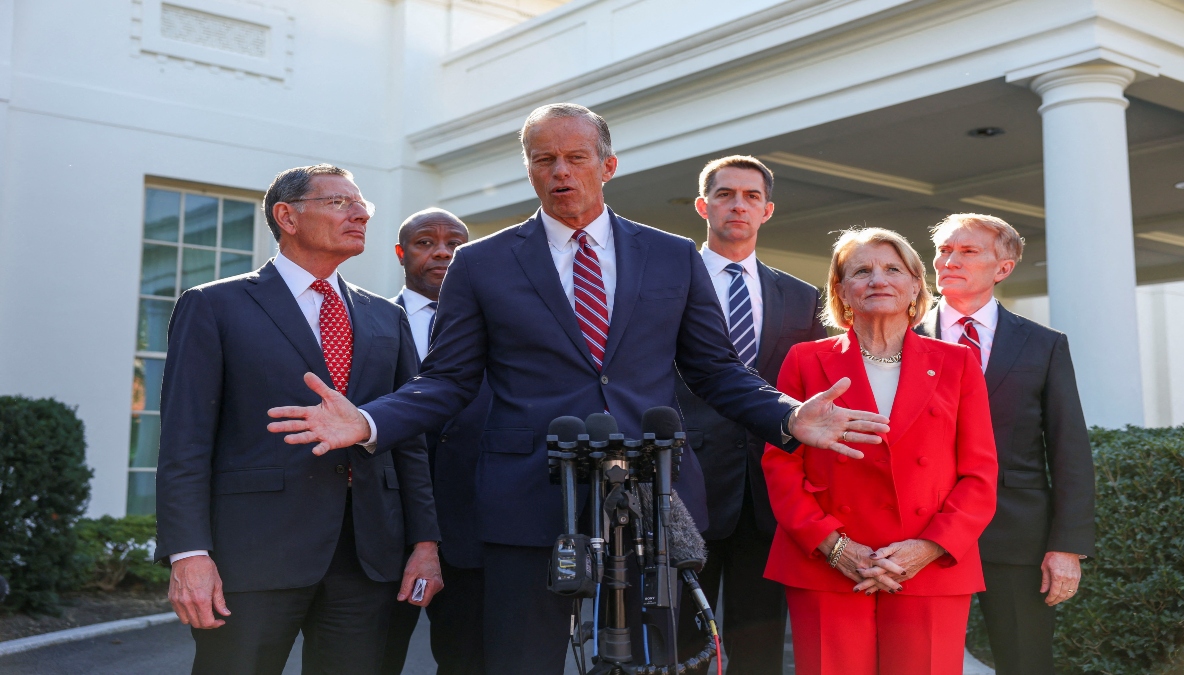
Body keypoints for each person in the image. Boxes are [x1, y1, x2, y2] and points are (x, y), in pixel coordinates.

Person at [265, 104, 889, 675]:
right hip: (527, 499)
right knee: (521, 660)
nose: (560, 171)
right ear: (530, 170)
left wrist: (787, 416)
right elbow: (448, 381)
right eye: (544, 159)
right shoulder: (482, 263)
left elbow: (716, 370)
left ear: (608, 165)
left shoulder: (673, 257)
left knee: (657, 662)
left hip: (652, 495)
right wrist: (370, 422)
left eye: (576, 157)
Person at [154, 164, 442, 675]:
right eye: (339, 203)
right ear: (286, 216)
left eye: (363, 206)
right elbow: (184, 443)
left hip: (368, 556)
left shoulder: (385, 317)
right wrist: (188, 554)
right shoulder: (214, 307)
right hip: (253, 555)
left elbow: (409, 442)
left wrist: (425, 543)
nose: (359, 214)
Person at [762, 227, 998, 675]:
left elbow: (980, 473)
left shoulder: (957, 363)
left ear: (915, 286)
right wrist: (834, 547)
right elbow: (780, 464)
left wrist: (926, 548)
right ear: (842, 291)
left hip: (927, 565)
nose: (878, 279)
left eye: (893, 269)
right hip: (828, 565)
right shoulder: (804, 360)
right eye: (862, 271)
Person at [918, 213, 1094, 675]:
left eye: (968, 251)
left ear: (1004, 268)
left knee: (1025, 664)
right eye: (944, 250)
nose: (949, 260)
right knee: (919, 662)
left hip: (1017, 537)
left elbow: (1069, 448)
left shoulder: (1044, 345)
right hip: (917, 533)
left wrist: (1067, 546)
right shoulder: (901, 337)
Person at [675, 155, 827, 673]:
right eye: (725, 194)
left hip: (769, 492)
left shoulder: (803, 297)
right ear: (703, 206)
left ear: (767, 211)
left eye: (751, 196)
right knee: (683, 646)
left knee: (759, 649)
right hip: (685, 486)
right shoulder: (667, 283)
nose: (738, 204)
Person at [383, 208, 489, 675]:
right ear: (402, 254)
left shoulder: (502, 329)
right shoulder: (368, 323)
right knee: (371, 658)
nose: (443, 251)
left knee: (468, 661)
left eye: (456, 243)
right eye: (426, 242)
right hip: (385, 528)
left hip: (474, 522)